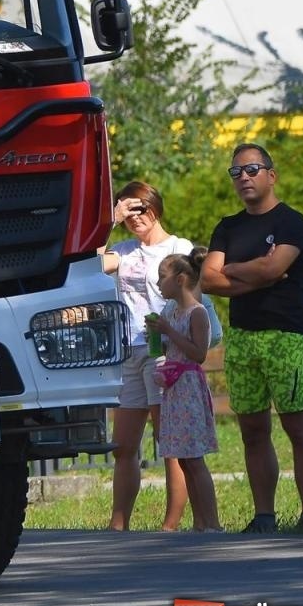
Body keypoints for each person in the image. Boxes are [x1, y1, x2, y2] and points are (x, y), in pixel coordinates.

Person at [201, 143, 303, 534]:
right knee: (253, 431)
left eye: (252, 169)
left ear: (271, 175)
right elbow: (206, 278)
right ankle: (264, 516)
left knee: (297, 427)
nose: (244, 178)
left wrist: (234, 272)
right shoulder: (228, 226)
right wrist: (253, 277)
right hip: (242, 339)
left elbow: (276, 267)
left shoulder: (292, 222)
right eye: (236, 172)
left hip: (285, 337)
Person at [101, 180, 191, 531]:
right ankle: (118, 523)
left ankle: (171, 525)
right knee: (123, 446)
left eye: (142, 208)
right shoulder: (122, 251)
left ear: (156, 206)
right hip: (128, 352)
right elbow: (86, 263)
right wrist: (110, 220)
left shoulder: (179, 247)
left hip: (163, 350)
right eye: (129, 211)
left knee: (167, 442)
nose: (136, 217)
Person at [147, 248, 221, 532]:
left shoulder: (197, 312)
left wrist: (169, 330)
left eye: (161, 278)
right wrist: (157, 335)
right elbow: (170, 348)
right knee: (184, 459)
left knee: (194, 458)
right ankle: (199, 522)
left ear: (180, 280)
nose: (157, 284)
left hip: (189, 386)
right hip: (175, 388)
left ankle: (212, 522)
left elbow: (199, 353)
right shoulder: (174, 312)